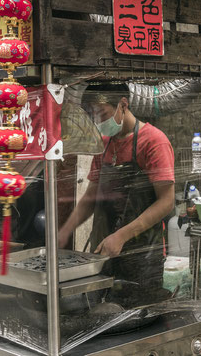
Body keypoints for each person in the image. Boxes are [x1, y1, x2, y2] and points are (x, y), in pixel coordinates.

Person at [58, 83, 175, 288]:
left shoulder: (154, 142)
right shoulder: (103, 144)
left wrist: (121, 236)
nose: (99, 121)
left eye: (102, 114)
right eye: (94, 116)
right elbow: (91, 197)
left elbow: (166, 202)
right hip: (104, 251)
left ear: (123, 105)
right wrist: (65, 231)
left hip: (142, 254)